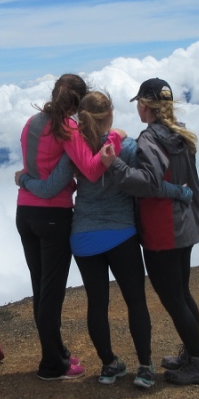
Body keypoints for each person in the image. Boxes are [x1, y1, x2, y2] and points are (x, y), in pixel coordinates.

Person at [18, 91, 192, 389]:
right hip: (121, 233)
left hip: (83, 238)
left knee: (96, 304)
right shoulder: (124, 146)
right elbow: (148, 184)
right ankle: (145, 368)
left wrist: (24, 180)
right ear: (110, 115)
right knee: (135, 301)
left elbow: (51, 186)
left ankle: (109, 365)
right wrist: (179, 192)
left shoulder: (74, 149)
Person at [102, 77, 199, 386]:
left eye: (138, 102)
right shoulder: (179, 134)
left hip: (164, 229)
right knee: (182, 293)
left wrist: (115, 166)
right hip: (186, 223)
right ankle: (192, 355)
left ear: (145, 105)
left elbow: (149, 182)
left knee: (173, 298)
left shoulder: (150, 138)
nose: (137, 107)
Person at [15, 74, 116, 381]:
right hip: (53, 216)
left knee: (40, 289)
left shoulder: (31, 122)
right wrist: (113, 140)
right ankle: (52, 365)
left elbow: (31, 168)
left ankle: (57, 354)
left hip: (25, 213)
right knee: (52, 294)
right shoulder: (67, 128)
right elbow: (91, 167)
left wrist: (26, 180)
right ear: (78, 103)